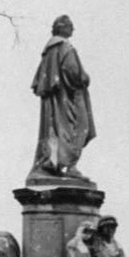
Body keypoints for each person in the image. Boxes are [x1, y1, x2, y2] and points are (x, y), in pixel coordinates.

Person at [28, 15, 95, 181]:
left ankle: (54, 162)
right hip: (68, 99)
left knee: (56, 129)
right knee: (77, 127)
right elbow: (73, 71)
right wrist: (85, 77)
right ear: (62, 27)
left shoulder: (50, 50)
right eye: (71, 26)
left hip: (57, 101)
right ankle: (69, 165)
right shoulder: (65, 47)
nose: (73, 29)